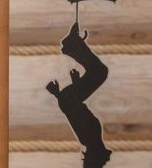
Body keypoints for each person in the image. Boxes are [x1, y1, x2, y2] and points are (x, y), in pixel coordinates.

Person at [47, 22, 112, 168]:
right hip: (70, 99)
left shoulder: (89, 138)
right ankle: (73, 44)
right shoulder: (91, 139)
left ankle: (73, 44)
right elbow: (75, 113)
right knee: (99, 71)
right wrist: (74, 85)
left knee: (99, 72)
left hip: (69, 99)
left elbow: (73, 114)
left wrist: (58, 94)